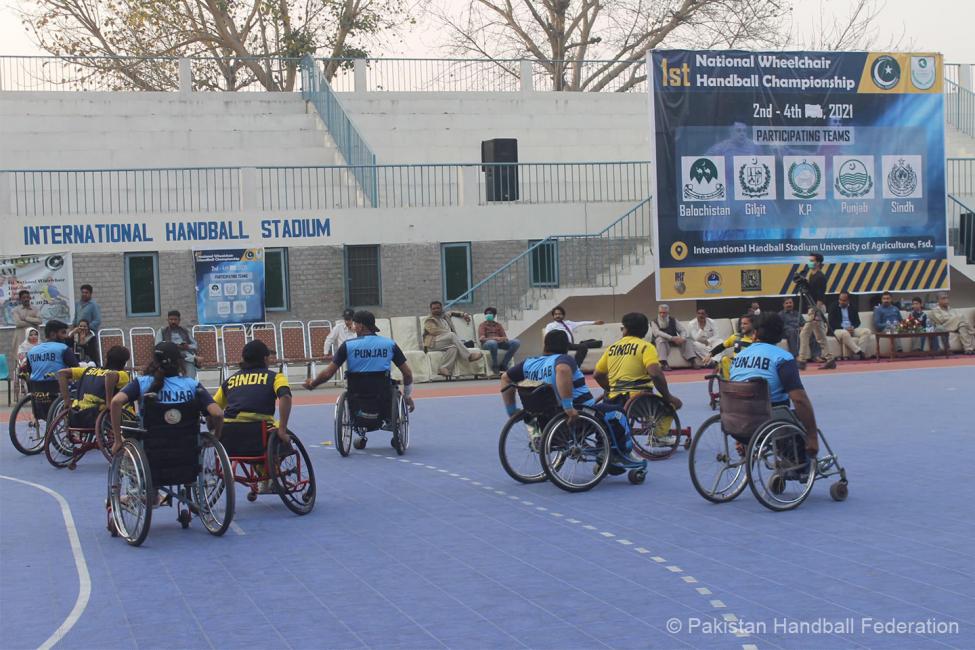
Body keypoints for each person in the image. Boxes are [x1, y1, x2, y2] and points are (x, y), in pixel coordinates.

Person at [110, 343, 224, 507]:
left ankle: (143, 493)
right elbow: (218, 413)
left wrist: (117, 440)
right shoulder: (191, 385)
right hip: (187, 457)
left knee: (129, 452)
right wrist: (216, 436)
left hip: (152, 454)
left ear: (154, 361)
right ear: (179, 362)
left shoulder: (142, 383)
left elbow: (115, 402)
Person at [500, 330, 637, 466]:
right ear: (567, 346)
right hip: (577, 414)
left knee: (603, 411)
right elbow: (562, 370)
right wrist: (568, 406)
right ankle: (621, 454)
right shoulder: (563, 359)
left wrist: (511, 410)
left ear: (545, 346)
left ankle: (603, 450)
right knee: (618, 413)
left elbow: (505, 378)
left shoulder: (529, 363)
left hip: (544, 418)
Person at [729, 313, 819, 457]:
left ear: (755, 333)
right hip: (767, 421)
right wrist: (813, 436)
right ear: (780, 334)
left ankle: (744, 442)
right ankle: (797, 467)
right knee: (800, 414)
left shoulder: (738, 357)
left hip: (737, 422)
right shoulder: (782, 357)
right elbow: (799, 399)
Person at [593, 312, 683, 445]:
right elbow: (655, 374)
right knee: (675, 403)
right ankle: (659, 436)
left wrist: (610, 388)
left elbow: (597, 375)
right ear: (645, 330)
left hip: (613, 400)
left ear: (626, 329)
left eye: (622, 328)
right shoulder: (646, 347)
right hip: (638, 401)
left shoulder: (612, 348)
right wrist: (668, 396)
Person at [214, 340, 291, 493]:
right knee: (281, 438)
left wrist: (214, 431)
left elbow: (214, 407)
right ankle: (269, 475)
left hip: (228, 437)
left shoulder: (230, 381)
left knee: (258, 437)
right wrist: (282, 428)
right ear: (265, 359)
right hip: (258, 435)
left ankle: (265, 476)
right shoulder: (275, 377)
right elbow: (285, 398)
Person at [304, 310, 415, 410]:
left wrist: (312, 384)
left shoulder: (348, 345)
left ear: (361, 326)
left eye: (355, 324)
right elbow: (408, 373)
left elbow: (328, 373)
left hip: (356, 395)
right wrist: (406, 396)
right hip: (383, 395)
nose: (353, 327)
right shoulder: (390, 344)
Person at [56, 345, 131, 430]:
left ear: (106, 358)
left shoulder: (89, 370)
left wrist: (67, 401)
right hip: (99, 416)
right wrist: (109, 402)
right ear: (124, 362)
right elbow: (110, 375)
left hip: (78, 416)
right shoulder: (122, 374)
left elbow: (61, 373)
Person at [25, 320, 79, 424]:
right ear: (53, 334)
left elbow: (30, 371)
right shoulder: (63, 348)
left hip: (37, 393)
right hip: (57, 390)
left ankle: (34, 416)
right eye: (63, 333)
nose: (65, 336)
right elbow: (76, 369)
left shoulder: (32, 351)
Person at [422, 301, 483, 378]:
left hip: (444, 343)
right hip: (432, 344)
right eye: (434, 309)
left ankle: (443, 368)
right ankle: (469, 356)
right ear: (431, 310)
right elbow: (434, 331)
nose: (436, 310)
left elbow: (453, 312)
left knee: (454, 348)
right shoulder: (429, 320)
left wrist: (463, 314)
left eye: (438, 308)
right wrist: (448, 333)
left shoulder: (445, 315)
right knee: (451, 335)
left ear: (441, 308)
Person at [797, 253, 836, 370]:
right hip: (812, 307)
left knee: (804, 333)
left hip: (816, 307)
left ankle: (802, 360)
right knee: (820, 336)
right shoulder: (812, 275)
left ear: (818, 263)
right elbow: (811, 291)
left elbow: (820, 296)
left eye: (811, 260)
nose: (809, 262)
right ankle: (830, 360)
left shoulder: (820, 277)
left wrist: (816, 312)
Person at [703, 314, 756, 379]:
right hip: (736, 367)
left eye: (745, 324)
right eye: (741, 324)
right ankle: (728, 384)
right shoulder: (736, 337)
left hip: (751, 367)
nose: (742, 326)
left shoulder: (758, 339)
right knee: (724, 359)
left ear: (753, 325)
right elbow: (722, 346)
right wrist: (710, 354)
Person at [651, 304, 698, 370]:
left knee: (687, 340)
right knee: (660, 339)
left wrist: (682, 338)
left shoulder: (673, 320)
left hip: (674, 340)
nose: (662, 314)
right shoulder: (654, 321)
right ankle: (664, 363)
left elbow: (682, 330)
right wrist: (671, 338)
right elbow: (657, 333)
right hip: (662, 341)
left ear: (668, 313)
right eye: (660, 312)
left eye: (664, 313)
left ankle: (692, 361)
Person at [156, 310, 198, 378]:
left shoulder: (185, 331)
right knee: (189, 358)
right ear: (167, 320)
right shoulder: (162, 331)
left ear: (179, 320)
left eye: (175, 319)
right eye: (171, 319)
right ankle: (194, 358)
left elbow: (195, 346)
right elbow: (158, 346)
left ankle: (190, 384)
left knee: (188, 362)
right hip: (169, 356)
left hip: (184, 354)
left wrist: (187, 346)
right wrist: (173, 346)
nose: (173, 322)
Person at [827, 292, 869, 360]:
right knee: (845, 333)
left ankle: (862, 352)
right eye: (840, 300)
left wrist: (852, 327)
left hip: (851, 329)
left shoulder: (853, 307)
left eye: (844, 300)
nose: (841, 302)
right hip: (837, 330)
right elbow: (831, 323)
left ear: (848, 300)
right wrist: (844, 328)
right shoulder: (833, 307)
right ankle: (858, 351)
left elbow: (857, 322)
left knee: (866, 331)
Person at [478, 307, 521, 374]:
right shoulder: (482, 325)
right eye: (486, 314)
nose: (488, 315)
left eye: (490, 314)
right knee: (493, 343)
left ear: (494, 315)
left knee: (516, 342)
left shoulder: (498, 325)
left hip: (499, 343)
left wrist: (500, 339)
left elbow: (505, 338)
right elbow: (481, 339)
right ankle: (495, 366)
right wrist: (494, 338)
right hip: (487, 344)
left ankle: (504, 364)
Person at [11, 290, 43, 376]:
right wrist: (33, 321)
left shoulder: (35, 309)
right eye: (23, 298)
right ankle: (19, 385)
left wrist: (26, 318)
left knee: (35, 359)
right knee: (19, 362)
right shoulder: (16, 310)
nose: (26, 299)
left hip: (34, 340)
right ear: (20, 299)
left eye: (27, 297)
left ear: (30, 298)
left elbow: (40, 321)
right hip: (20, 339)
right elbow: (18, 323)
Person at [15, 327, 39, 401]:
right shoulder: (22, 346)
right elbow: (21, 358)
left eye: (35, 335)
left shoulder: (41, 345)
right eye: (31, 335)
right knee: (24, 369)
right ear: (27, 336)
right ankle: (30, 390)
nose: (34, 337)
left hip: (39, 365)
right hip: (27, 366)